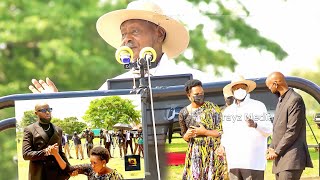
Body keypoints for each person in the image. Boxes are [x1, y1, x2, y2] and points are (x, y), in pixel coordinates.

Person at [28, 0, 213, 93]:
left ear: (159, 33)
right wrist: (54, 101)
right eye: (123, 34)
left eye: (135, 31)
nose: (126, 39)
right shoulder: (110, 87)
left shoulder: (196, 80)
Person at [219, 74, 273, 180]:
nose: (239, 90)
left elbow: (268, 129)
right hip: (234, 161)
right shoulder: (228, 111)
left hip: (252, 162)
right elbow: (226, 134)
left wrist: (256, 125)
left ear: (247, 89)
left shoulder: (258, 106)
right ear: (232, 91)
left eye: (242, 87)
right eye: (236, 88)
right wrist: (222, 146)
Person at [265, 72, 313, 180]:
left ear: (276, 84)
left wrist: (276, 151)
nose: (269, 89)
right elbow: (277, 129)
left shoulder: (295, 100)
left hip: (291, 158)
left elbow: (292, 131)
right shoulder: (281, 100)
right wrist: (272, 147)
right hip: (281, 159)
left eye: (269, 86)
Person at [178, 79, 225, 180]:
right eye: (197, 94)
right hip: (195, 153)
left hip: (213, 152)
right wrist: (187, 135)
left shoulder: (213, 108)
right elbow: (184, 137)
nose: (200, 96)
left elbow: (221, 132)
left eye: (202, 93)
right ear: (189, 95)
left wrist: (205, 132)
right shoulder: (183, 113)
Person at [22, 102, 70, 180]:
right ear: (36, 113)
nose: (47, 112)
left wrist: (68, 168)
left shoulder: (58, 130)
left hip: (56, 174)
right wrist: (45, 152)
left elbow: (60, 152)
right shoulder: (29, 130)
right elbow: (26, 154)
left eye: (49, 109)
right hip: (39, 174)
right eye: (44, 110)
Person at [51, 146, 124, 180]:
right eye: (91, 162)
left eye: (95, 163)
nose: (92, 165)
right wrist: (56, 154)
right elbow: (68, 169)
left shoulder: (115, 177)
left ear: (104, 162)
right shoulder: (89, 169)